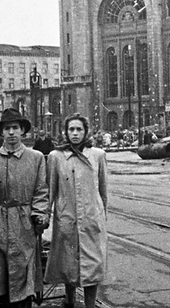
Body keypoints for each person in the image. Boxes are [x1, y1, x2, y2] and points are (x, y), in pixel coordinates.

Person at [0, 108, 49, 308]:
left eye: (15, 128)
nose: (11, 133)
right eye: (7, 128)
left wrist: (40, 215)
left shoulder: (36, 158)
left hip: (23, 225)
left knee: (21, 280)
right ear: (1, 132)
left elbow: (41, 192)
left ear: (22, 130)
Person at [45, 114, 108, 308]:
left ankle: (90, 305)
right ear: (65, 132)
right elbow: (50, 189)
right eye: (71, 129)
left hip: (91, 219)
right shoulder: (56, 157)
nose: (75, 133)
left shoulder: (97, 155)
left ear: (86, 131)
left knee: (93, 265)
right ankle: (70, 300)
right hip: (67, 219)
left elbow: (103, 189)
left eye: (79, 129)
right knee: (68, 263)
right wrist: (45, 214)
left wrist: (101, 215)